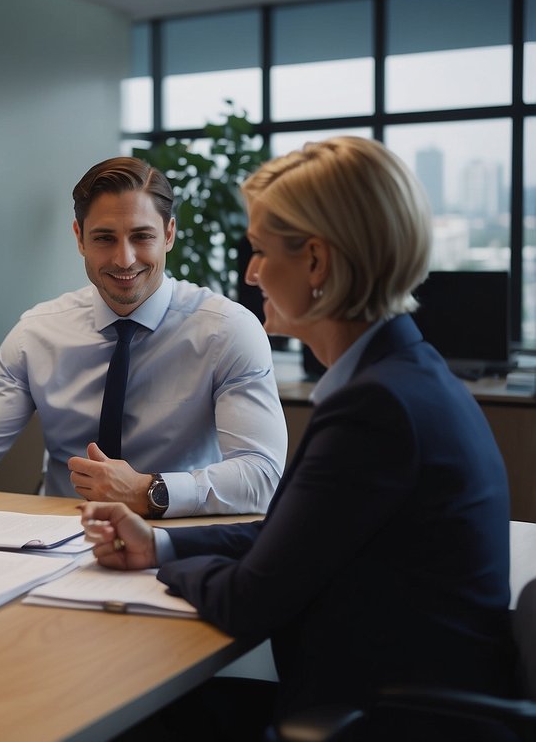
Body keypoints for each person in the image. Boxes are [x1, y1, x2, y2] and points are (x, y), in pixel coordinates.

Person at [81, 137, 515, 740]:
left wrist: (163, 568)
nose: (250, 271)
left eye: (259, 250)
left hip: (378, 720)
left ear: (316, 262)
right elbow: (296, 535)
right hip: (390, 699)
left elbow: (249, 599)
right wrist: (161, 545)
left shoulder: (377, 406)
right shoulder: (401, 376)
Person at [0, 156, 287, 525]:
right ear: (79, 237)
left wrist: (148, 490)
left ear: (169, 235)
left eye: (142, 236)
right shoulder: (38, 332)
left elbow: (261, 474)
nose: (124, 259)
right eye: (104, 238)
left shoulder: (227, 329)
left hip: (177, 537)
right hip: (56, 538)